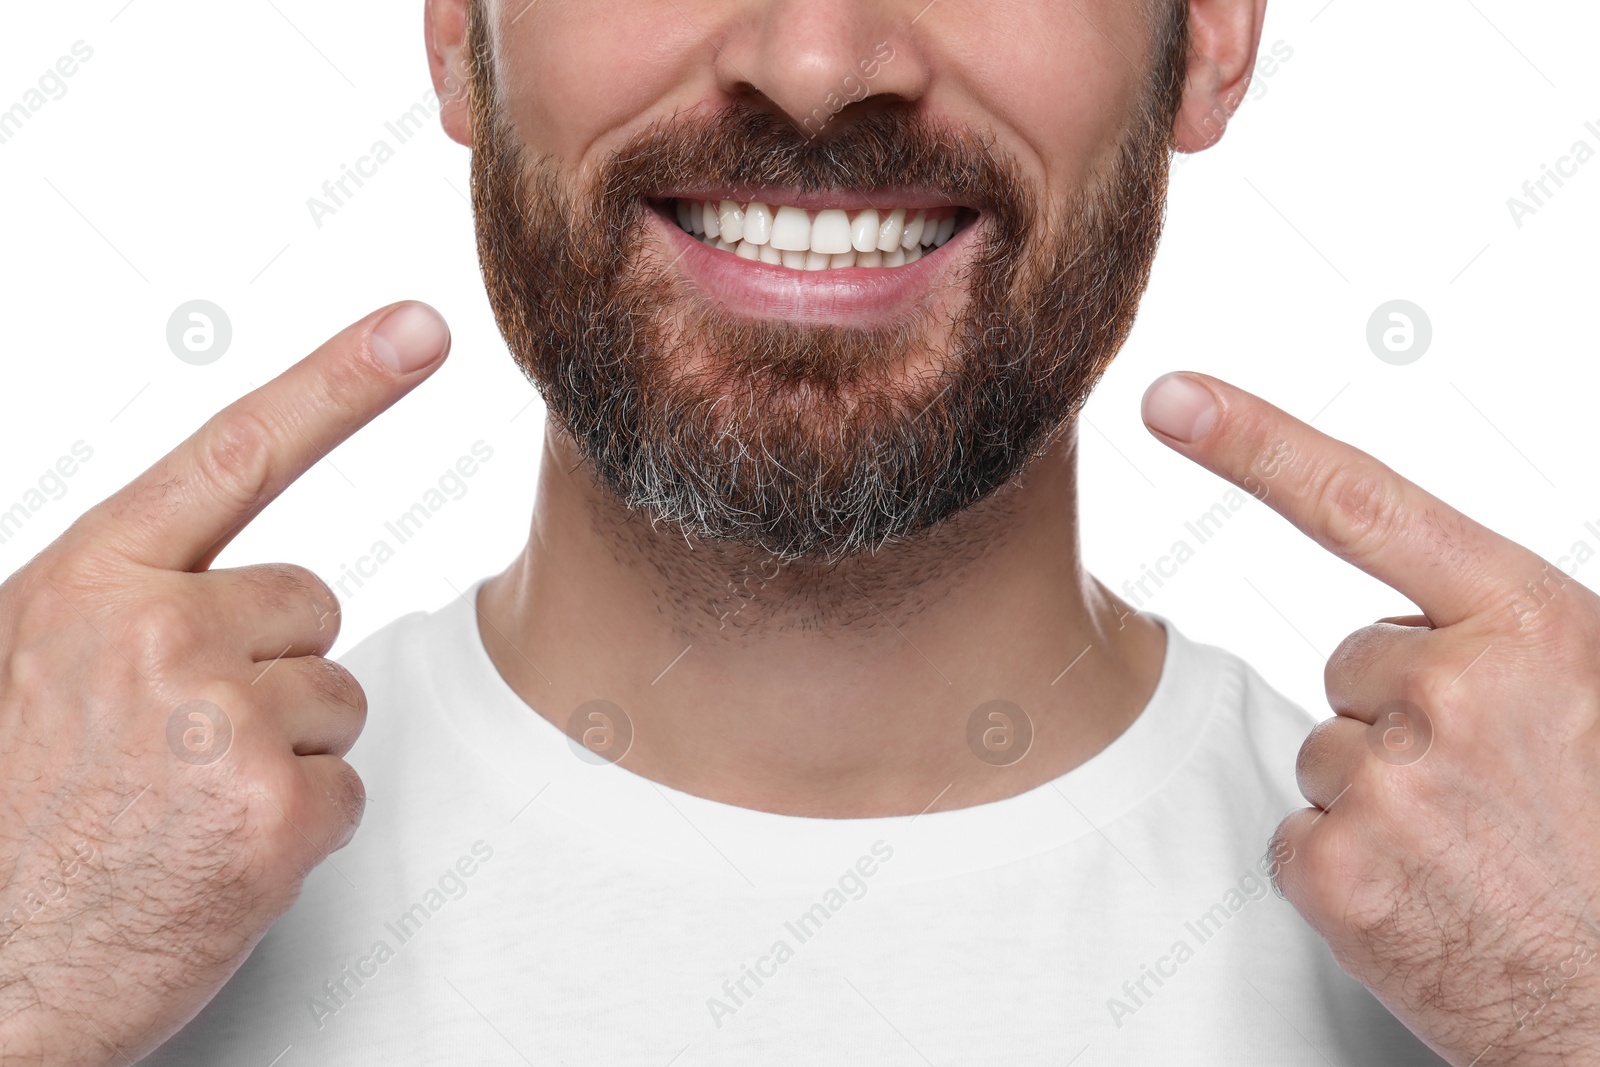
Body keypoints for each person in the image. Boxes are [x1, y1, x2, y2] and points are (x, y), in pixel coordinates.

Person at [3, 1, 1596, 1064]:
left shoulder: (1533, 931)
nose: (820, 60)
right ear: (454, 34)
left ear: (1211, 40)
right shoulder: (60, 891)